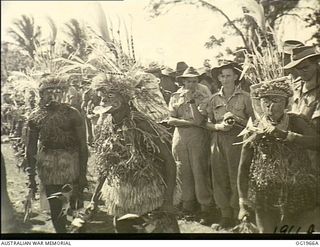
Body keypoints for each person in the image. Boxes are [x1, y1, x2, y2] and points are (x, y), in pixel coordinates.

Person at [90, 72, 179, 232]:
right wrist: (94, 198)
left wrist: (168, 200)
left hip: (149, 195)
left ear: (124, 97)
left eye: (110, 95)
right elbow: (106, 164)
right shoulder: (107, 124)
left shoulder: (140, 123)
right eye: (102, 95)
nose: (103, 100)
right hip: (121, 195)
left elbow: (168, 160)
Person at [237, 78, 320, 233]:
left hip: (298, 193)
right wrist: (242, 202)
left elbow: (316, 143)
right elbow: (243, 168)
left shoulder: (296, 121)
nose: (270, 106)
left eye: (277, 100)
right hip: (264, 195)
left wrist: (288, 136)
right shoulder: (254, 128)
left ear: (286, 103)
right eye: (265, 101)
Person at [25, 74, 88, 233]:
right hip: (48, 165)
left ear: (64, 93)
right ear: (41, 94)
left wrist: (82, 173)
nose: (54, 95)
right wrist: (31, 175)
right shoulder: (35, 116)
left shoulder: (73, 113)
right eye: (49, 91)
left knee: (74, 206)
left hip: (71, 163)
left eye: (58, 91)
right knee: (55, 206)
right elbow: (31, 148)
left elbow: (82, 145)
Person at [205, 61, 254, 229]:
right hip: (218, 139)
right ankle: (225, 214)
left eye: (228, 76)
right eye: (222, 76)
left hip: (238, 139)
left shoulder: (246, 97)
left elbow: (253, 121)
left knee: (236, 176)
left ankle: (238, 213)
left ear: (235, 77)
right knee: (219, 176)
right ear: (218, 78)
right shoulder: (213, 99)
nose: (225, 79)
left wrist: (236, 120)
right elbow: (207, 122)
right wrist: (218, 126)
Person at [168, 66, 214, 225]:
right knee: (183, 170)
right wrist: (188, 122)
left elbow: (200, 120)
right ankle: (188, 204)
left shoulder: (203, 94)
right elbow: (170, 119)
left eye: (194, 80)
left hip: (197, 136)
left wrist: (191, 101)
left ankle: (205, 206)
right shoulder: (175, 96)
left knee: (199, 170)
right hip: (180, 136)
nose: (192, 84)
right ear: (183, 81)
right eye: (188, 81)